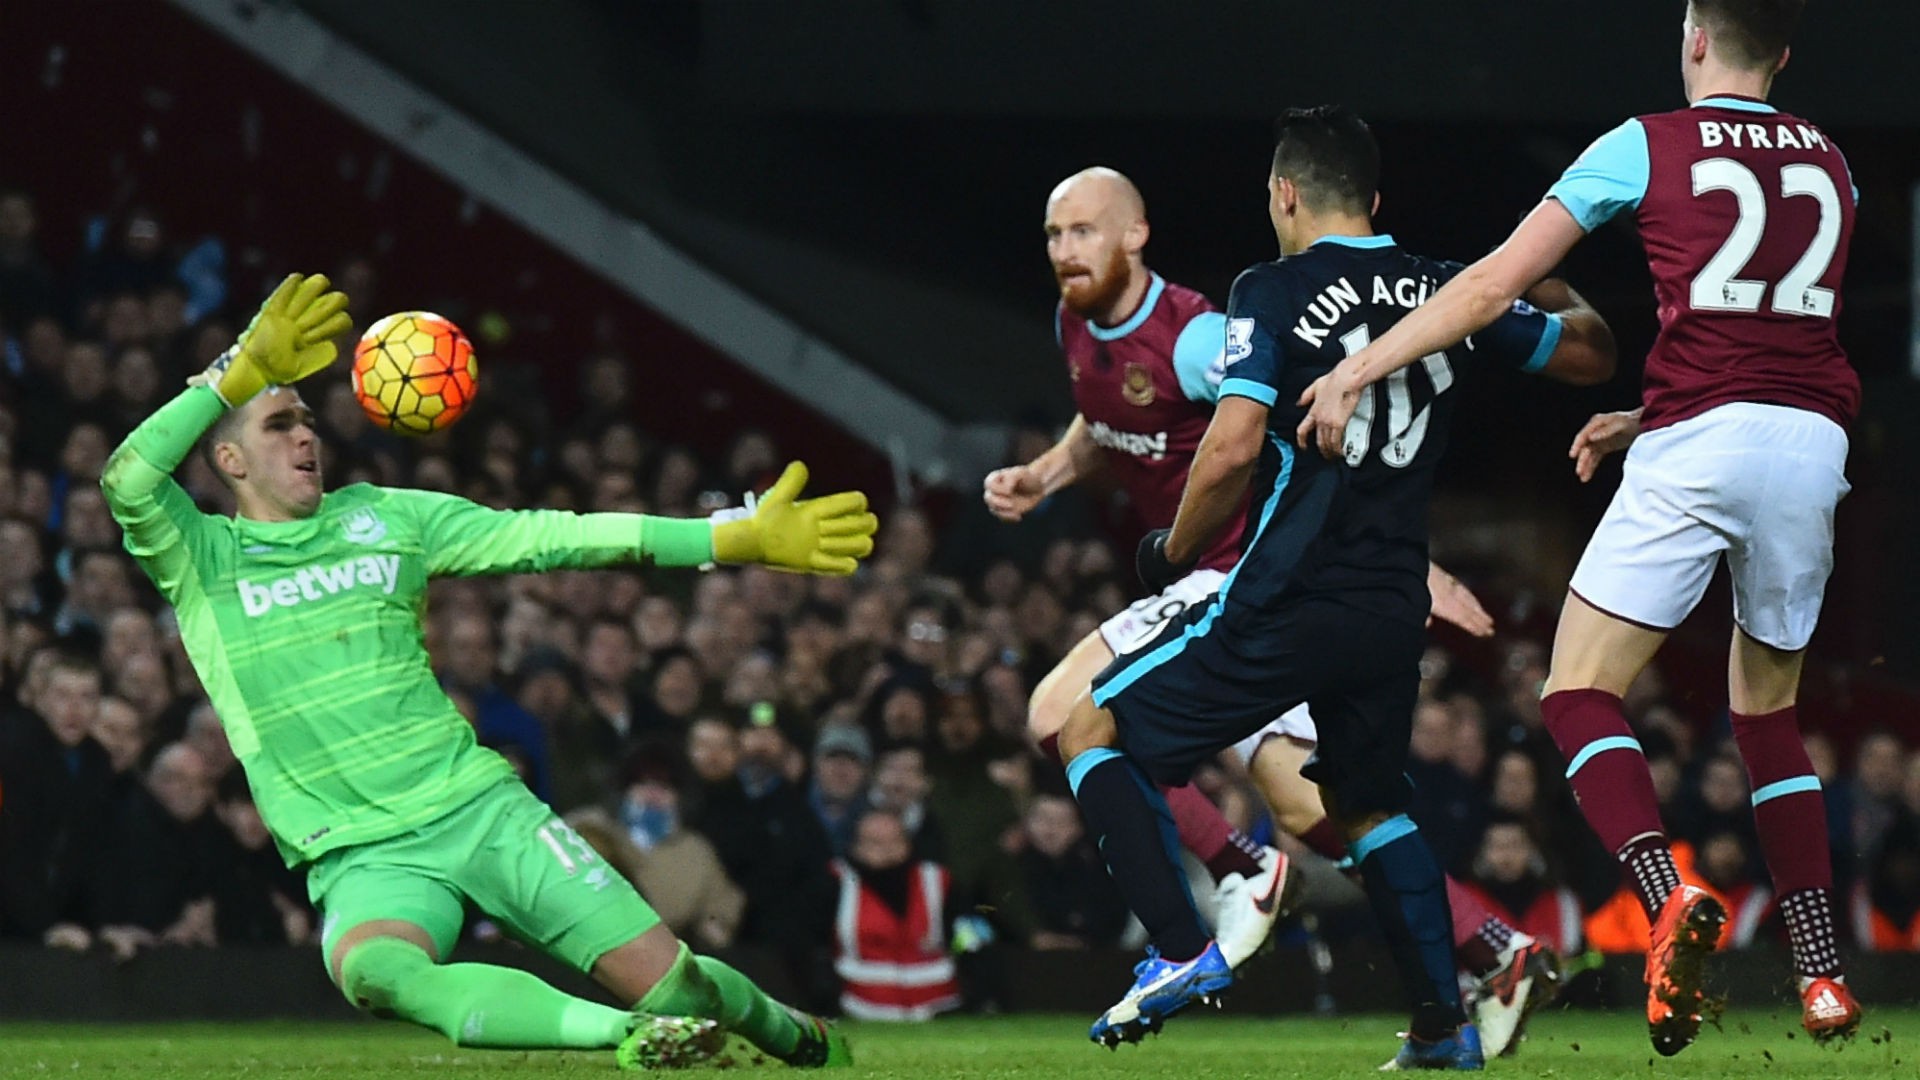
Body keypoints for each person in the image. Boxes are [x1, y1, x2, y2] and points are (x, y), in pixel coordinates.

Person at [100, 273, 876, 1068]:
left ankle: (780, 1028)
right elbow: (126, 478)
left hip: (479, 810)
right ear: (227, 457)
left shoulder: (389, 518)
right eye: (277, 424)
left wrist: (723, 537)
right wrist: (231, 373)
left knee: (680, 989)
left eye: (307, 421)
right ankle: (623, 1037)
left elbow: (554, 535)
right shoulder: (203, 559)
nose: (307, 438)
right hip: (363, 854)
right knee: (378, 973)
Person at [1296, 0, 1861, 1050]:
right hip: (1810, 443)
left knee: (1578, 690)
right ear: (1781, 55)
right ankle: (1823, 972)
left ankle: (1664, 896)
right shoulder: (1832, 163)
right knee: (1769, 714)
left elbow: (1491, 288)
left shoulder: (1643, 145)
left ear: (1693, 36)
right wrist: (1652, 412)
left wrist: (1357, 365)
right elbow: (1772, 341)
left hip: (1703, 446)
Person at [1056, 107, 1612, 1065]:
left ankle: (1181, 951)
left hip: (1289, 592)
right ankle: (1444, 1029)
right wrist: (1552, 283)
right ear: (1376, 200)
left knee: (1090, 730)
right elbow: (1590, 355)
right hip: (1392, 606)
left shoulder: (1270, 289)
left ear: (1284, 193)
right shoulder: (1452, 291)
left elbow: (1231, 444)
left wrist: (1174, 547)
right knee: (1364, 804)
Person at [986, 165, 1524, 974]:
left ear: (1135, 236)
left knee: (1063, 715)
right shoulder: (1077, 318)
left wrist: (1409, 558)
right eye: (1056, 235)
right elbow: (1111, 414)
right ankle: (1496, 949)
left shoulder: (1196, 336)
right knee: (1307, 800)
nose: (1066, 250)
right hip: (1243, 586)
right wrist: (1049, 473)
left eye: (1084, 231)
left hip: (1241, 572)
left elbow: (1301, 420)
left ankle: (1243, 869)